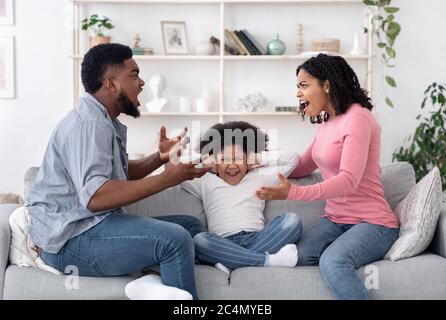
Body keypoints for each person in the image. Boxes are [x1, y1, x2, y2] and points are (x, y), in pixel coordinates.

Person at [25, 43, 211, 300]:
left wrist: (160, 158)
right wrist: (167, 178)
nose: (142, 82)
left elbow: (117, 175)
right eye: (134, 75)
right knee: (173, 239)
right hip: (69, 241)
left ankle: (153, 280)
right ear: (111, 84)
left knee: (189, 225)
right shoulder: (90, 125)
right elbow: (96, 197)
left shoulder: (102, 120)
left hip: (90, 227)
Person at [256, 54, 400, 300]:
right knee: (298, 255)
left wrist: (294, 192)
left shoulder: (358, 118)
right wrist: (257, 167)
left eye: (304, 85)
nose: (298, 94)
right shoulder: (326, 123)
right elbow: (303, 165)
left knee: (332, 262)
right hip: (336, 220)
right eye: (297, 87)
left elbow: (348, 180)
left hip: (373, 223)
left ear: (326, 84)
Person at [180, 121, 303, 274]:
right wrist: (204, 159)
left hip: (257, 238)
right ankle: (267, 261)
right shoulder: (205, 180)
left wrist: (258, 159)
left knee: (292, 220)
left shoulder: (259, 177)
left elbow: (293, 158)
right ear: (215, 163)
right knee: (199, 240)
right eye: (224, 160)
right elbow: (174, 169)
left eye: (238, 158)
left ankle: (232, 261)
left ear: (248, 160)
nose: (232, 165)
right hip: (222, 242)